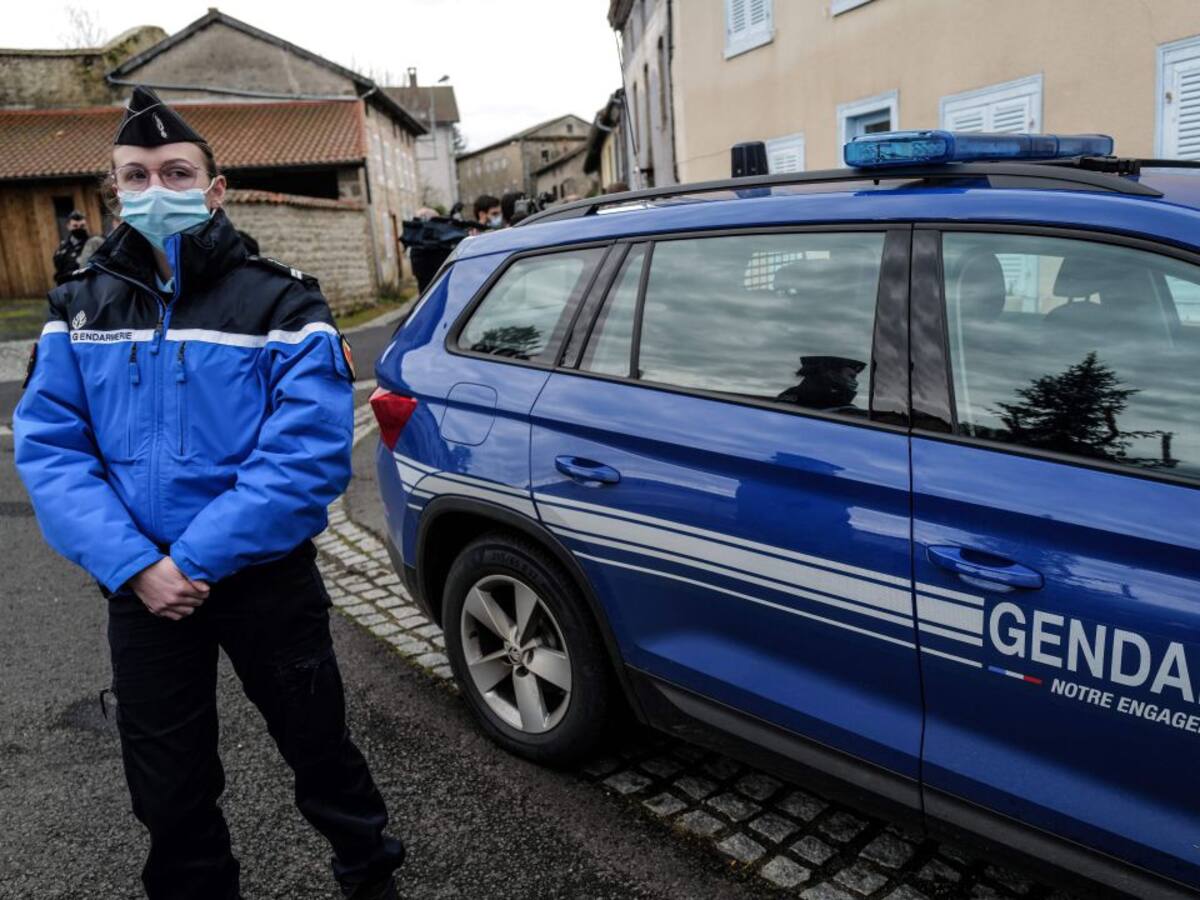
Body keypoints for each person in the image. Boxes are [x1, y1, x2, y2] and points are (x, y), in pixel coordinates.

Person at [13, 86, 404, 900]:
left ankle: (370, 873)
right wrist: (136, 566)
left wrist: (190, 560)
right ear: (113, 192)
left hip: (262, 580)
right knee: (169, 787)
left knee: (320, 751)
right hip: (140, 588)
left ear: (214, 189)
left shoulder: (281, 301)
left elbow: (305, 459)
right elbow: (52, 450)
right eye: (136, 176)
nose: (156, 190)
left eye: (176, 171)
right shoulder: (78, 308)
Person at [51, 210, 90, 284]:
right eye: (75, 226)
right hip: (67, 286)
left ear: (86, 225)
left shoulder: (91, 244)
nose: (79, 228)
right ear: (68, 226)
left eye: (82, 226)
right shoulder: (63, 247)